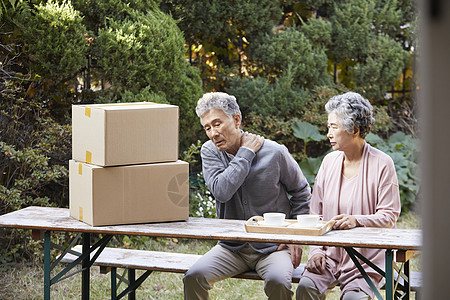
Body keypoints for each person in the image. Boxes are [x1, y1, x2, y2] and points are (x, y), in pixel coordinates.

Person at [183, 92, 312, 299]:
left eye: (217, 124)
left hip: (273, 247)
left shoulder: (275, 152)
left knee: (278, 281)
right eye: (207, 127)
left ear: (236, 120)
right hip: (231, 247)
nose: (213, 133)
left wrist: (293, 236)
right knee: (194, 276)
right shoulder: (210, 151)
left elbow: (302, 192)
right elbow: (221, 191)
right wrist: (246, 153)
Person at [296, 92, 401, 300]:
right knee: (305, 288)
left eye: (334, 127)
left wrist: (356, 220)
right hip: (329, 256)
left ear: (355, 129)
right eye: (329, 127)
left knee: (353, 298)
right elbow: (315, 213)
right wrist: (316, 251)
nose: (328, 133)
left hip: (367, 259)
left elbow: (389, 216)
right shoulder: (329, 162)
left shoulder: (382, 163)